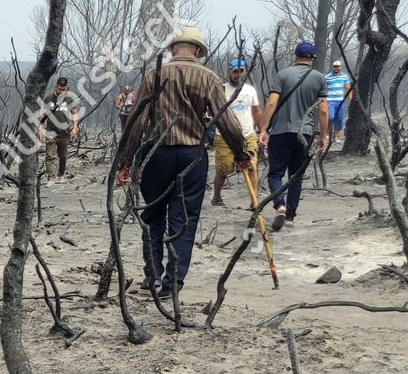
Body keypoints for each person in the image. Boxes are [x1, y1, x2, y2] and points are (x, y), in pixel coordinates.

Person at [117, 27, 252, 297]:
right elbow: (226, 121)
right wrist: (242, 154)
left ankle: (153, 277)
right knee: (183, 221)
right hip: (192, 155)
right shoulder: (209, 77)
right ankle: (172, 283)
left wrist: (125, 161)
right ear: (199, 51)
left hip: (156, 153)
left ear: (171, 49)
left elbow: (138, 121)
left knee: (153, 215)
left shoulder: (154, 75)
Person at [259, 41, 330, 230]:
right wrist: (323, 136)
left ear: (295, 57)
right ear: (312, 59)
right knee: (296, 176)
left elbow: (272, 103)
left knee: (275, 174)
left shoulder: (282, 75)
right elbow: (323, 110)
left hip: (280, 133)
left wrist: (263, 129)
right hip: (304, 134)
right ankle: (290, 217)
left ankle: (279, 206)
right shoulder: (319, 78)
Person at [211, 59, 262, 207]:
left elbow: (256, 111)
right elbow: (212, 112)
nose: (238, 74)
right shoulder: (221, 90)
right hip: (224, 136)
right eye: (235, 72)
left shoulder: (250, 90)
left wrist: (263, 130)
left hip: (248, 134)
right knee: (223, 169)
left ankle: (254, 202)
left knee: (251, 166)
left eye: (241, 71)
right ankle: (217, 197)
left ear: (245, 72)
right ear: (229, 72)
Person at [41, 77, 79, 180]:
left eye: (64, 89)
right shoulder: (48, 99)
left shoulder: (69, 99)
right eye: (59, 89)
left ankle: (61, 174)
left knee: (62, 156)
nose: (61, 91)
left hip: (64, 131)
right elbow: (42, 114)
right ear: (55, 87)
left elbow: (74, 113)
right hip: (50, 130)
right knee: (50, 156)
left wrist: (75, 127)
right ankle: (51, 178)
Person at [325, 60, 352, 146]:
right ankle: (326, 134)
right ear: (333, 67)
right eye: (335, 66)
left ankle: (335, 137)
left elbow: (348, 88)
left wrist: (350, 99)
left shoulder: (344, 76)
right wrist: (322, 100)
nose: (336, 68)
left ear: (340, 67)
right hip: (330, 100)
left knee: (339, 119)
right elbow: (323, 88)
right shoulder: (327, 77)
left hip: (340, 100)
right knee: (330, 117)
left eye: (338, 66)